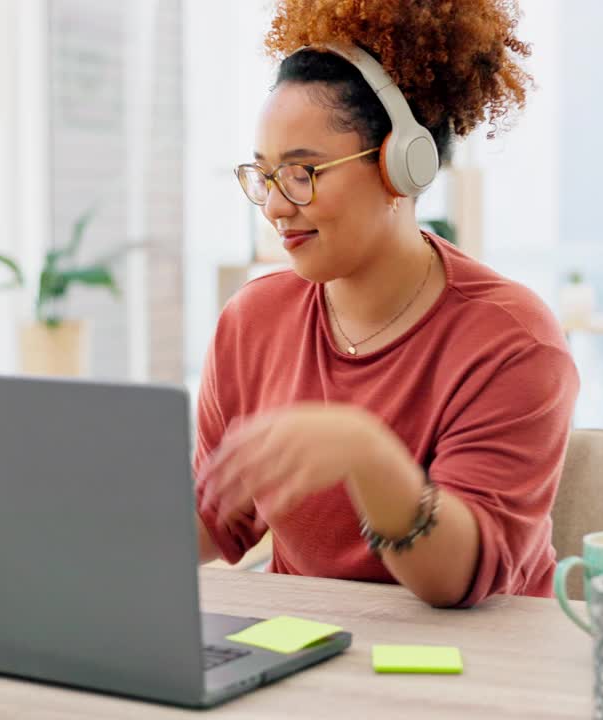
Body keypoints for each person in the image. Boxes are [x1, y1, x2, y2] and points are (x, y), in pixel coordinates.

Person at [194, 0, 579, 608]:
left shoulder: (511, 340)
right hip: (307, 659)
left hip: (486, 667)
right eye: (265, 176)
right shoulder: (253, 320)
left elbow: (453, 582)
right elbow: (213, 520)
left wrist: (365, 452)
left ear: (401, 165)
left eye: (304, 172)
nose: (274, 206)